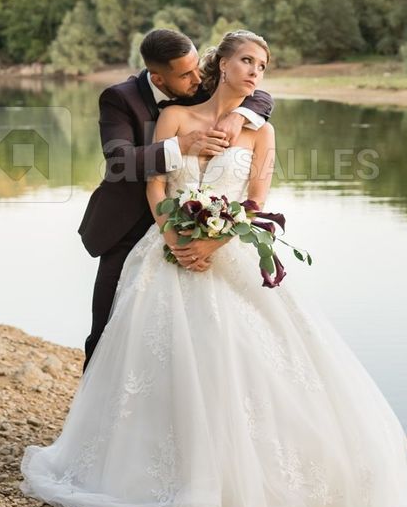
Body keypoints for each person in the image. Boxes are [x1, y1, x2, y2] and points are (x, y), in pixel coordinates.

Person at [22, 29, 407, 507]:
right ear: (181, 73)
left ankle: (242, 466)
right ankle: (111, 450)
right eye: (244, 62)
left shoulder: (256, 124)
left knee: (243, 353)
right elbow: (140, 173)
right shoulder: (150, 107)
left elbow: (257, 195)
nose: (253, 72)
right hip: (147, 239)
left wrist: (215, 240)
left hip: (225, 248)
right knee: (120, 341)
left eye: (261, 66)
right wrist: (173, 230)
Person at [76, 28, 273, 372]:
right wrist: (181, 145)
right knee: (108, 331)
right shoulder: (120, 99)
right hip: (130, 226)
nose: (198, 79)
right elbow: (120, 161)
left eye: (198, 67)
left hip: (212, 232)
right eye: (186, 74)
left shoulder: (203, 85)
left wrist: (238, 115)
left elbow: (258, 94)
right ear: (159, 78)